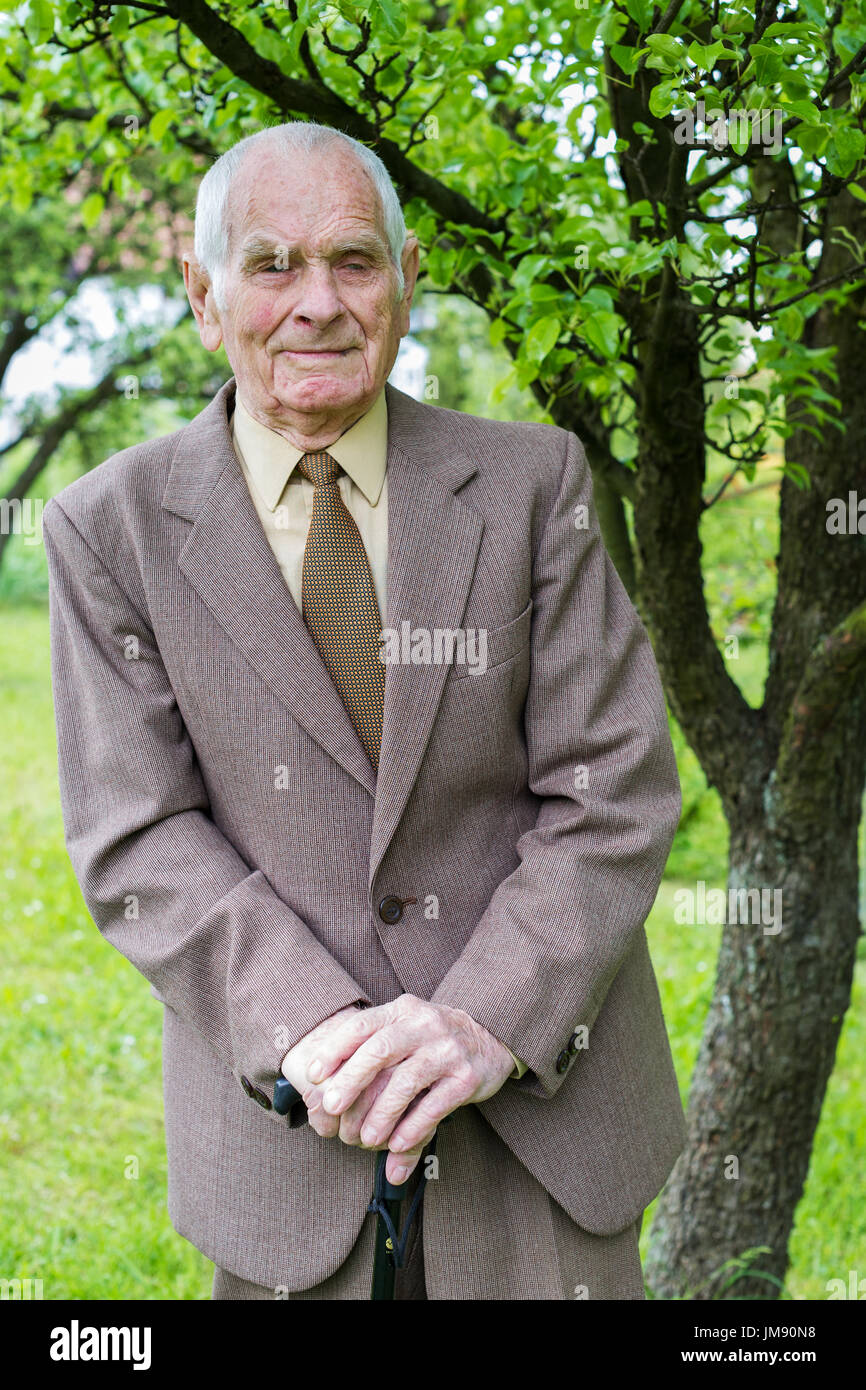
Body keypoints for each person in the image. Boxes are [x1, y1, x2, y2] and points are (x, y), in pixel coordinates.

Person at [43, 120, 685, 1300]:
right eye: (272, 264)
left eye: (353, 260)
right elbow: (136, 833)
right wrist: (317, 1031)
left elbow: (615, 788)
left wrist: (484, 1018)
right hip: (292, 1141)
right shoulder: (107, 528)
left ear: (405, 280)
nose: (317, 303)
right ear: (203, 292)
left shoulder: (532, 483)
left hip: (542, 1134)